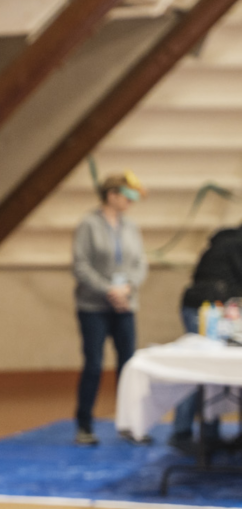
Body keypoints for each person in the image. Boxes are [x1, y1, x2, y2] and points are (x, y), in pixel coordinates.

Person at [71, 172, 147, 446]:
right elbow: (80, 265)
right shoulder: (88, 225)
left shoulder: (131, 227)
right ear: (111, 195)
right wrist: (108, 289)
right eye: (127, 196)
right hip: (93, 306)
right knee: (93, 364)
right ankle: (84, 425)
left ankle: (130, 424)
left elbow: (140, 264)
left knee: (128, 364)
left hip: (125, 305)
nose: (130, 202)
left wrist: (127, 288)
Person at [170, 223, 242, 449]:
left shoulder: (222, 239)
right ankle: (185, 434)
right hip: (210, 306)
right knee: (200, 369)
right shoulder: (236, 244)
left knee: (207, 368)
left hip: (201, 303)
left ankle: (206, 434)